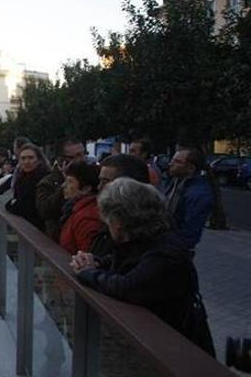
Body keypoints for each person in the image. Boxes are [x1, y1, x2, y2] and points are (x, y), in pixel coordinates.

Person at [71, 179, 215, 357]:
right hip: (160, 342)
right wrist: (97, 262)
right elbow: (125, 260)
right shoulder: (147, 238)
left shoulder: (165, 254)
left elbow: (128, 287)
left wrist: (88, 273)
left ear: (118, 222)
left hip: (175, 351)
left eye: (107, 223)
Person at [90, 154, 152, 257]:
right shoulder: (111, 222)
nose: (99, 187)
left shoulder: (146, 238)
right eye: (100, 180)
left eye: (106, 182)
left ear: (128, 186)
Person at [36, 139, 86, 241]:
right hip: (60, 238)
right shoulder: (48, 182)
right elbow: (44, 211)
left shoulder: (90, 175)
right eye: (73, 157)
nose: (80, 159)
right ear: (60, 159)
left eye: (82, 154)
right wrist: (64, 187)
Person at [165, 148, 214, 249]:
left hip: (175, 249)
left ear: (191, 168)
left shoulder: (198, 194)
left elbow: (190, 232)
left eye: (177, 161)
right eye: (172, 160)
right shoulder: (176, 181)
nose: (171, 164)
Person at [58, 162, 101, 255]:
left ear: (86, 189)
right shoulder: (76, 210)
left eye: (69, 181)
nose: (63, 186)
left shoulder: (87, 218)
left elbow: (85, 256)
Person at [6, 144, 50, 231]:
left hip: (39, 228)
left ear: (39, 159)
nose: (26, 161)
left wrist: (13, 204)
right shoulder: (21, 177)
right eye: (23, 158)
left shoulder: (44, 178)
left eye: (31, 158)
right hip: (25, 226)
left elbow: (29, 208)